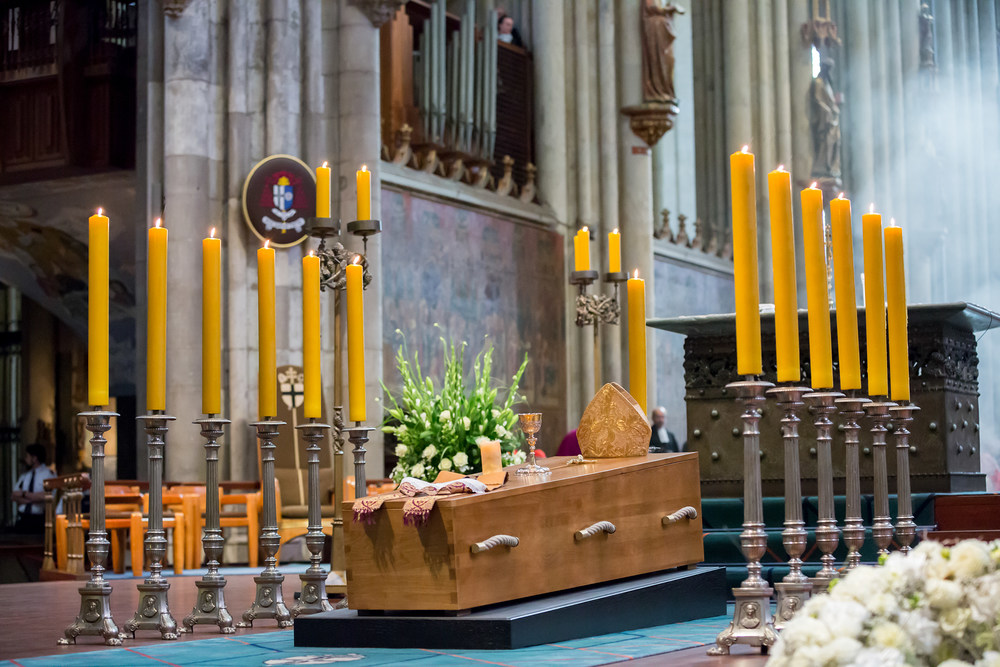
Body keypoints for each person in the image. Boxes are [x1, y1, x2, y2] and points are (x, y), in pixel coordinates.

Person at [12, 444, 55, 533]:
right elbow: (14, 495)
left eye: (27, 456)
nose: (26, 459)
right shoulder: (25, 475)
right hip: (23, 517)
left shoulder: (48, 474)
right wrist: (33, 498)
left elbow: (46, 496)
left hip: (38, 519)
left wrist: (24, 494)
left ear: (34, 458)